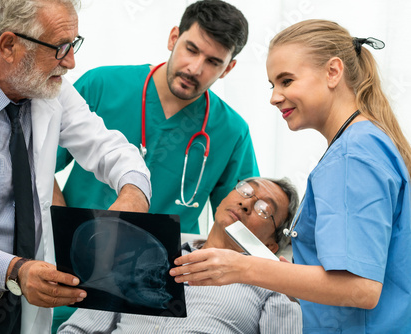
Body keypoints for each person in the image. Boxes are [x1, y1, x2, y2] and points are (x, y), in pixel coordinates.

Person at [0, 0, 152, 333]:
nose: (70, 62)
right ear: (9, 45)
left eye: (74, 44)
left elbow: (108, 146)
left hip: (23, 304)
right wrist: (15, 270)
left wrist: (134, 193)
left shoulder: (51, 91)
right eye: (60, 48)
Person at [170, 19, 411, 333]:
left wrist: (243, 267)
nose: (274, 97)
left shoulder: (353, 155)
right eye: (273, 85)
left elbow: (361, 288)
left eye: (286, 81)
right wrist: (290, 273)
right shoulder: (366, 144)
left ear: (333, 72)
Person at [53, 0, 259, 235]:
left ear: (228, 69)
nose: (195, 68)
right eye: (191, 50)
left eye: (213, 62)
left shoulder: (232, 132)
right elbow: (36, 163)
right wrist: (60, 226)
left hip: (168, 265)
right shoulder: (100, 85)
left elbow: (240, 222)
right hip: (78, 246)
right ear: (173, 38)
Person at [58, 177, 302, 334]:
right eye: (246, 191)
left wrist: (285, 285)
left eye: (264, 209)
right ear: (221, 201)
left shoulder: (272, 285)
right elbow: (80, 328)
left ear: (271, 246)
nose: (246, 204)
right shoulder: (147, 252)